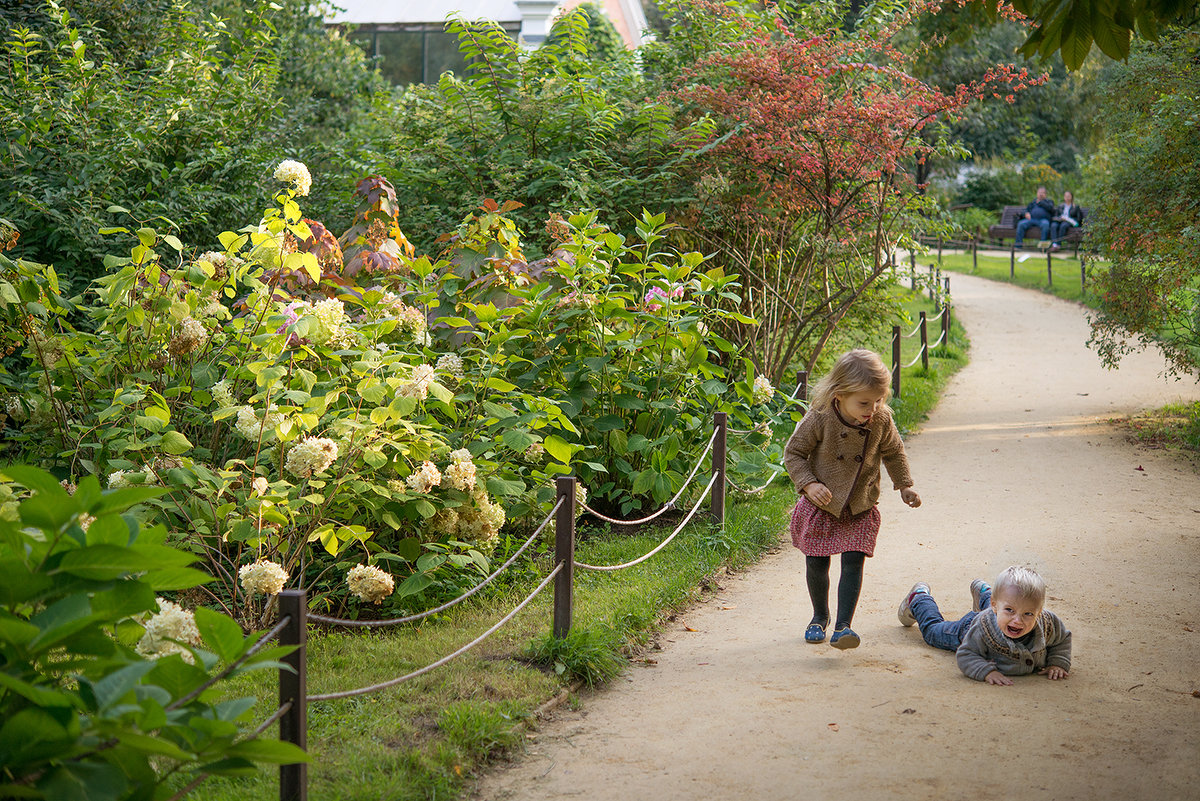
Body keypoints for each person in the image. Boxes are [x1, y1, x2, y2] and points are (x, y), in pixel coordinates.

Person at [783, 349, 921, 650]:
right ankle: (819, 617)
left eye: (877, 401)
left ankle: (844, 626)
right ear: (839, 393)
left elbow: (894, 451)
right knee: (817, 562)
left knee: (853, 560)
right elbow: (793, 453)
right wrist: (808, 484)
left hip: (859, 504)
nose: (872, 408)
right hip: (823, 503)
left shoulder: (880, 419)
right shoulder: (821, 416)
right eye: (864, 402)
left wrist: (904, 485)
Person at [897, 566, 1072, 685]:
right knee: (933, 632)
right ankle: (919, 599)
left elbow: (1062, 639)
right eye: (1011, 610)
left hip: (996, 611)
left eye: (1028, 614)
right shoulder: (981, 629)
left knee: (1006, 606)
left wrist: (1058, 663)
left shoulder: (1048, 623)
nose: (1018, 621)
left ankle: (985, 593)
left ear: (1039, 612)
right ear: (995, 605)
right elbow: (966, 654)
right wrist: (987, 672)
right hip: (966, 629)